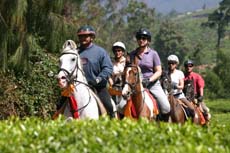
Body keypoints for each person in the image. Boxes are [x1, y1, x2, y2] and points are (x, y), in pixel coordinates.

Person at [127, 28, 171, 121]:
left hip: (152, 84)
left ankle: (163, 125)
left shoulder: (153, 54)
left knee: (166, 107)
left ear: (148, 40)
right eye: (139, 38)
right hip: (136, 86)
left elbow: (159, 71)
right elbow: (128, 70)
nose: (141, 40)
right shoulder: (132, 54)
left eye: (144, 38)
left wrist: (149, 80)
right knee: (121, 106)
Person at [77, 25, 115, 118]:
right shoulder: (75, 52)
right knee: (60, 104)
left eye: (86, 36)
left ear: (92, 37)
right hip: (77, 87)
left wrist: (97, 79)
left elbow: (108, 68)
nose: (83, 38)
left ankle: (112, 124)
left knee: (109, 107)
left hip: (98, 87)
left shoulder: (100, 52)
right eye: (81, 36)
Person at [167, 55, 197, 119]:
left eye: (173, 63)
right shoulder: (166, 74)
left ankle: (190, 125)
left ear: (176, 64)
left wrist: (175, 86)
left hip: (179, 96)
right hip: (168, 96)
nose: (171, 65)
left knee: (192, 109)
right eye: (169, 63)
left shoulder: (179, 73)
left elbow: (182, 86)